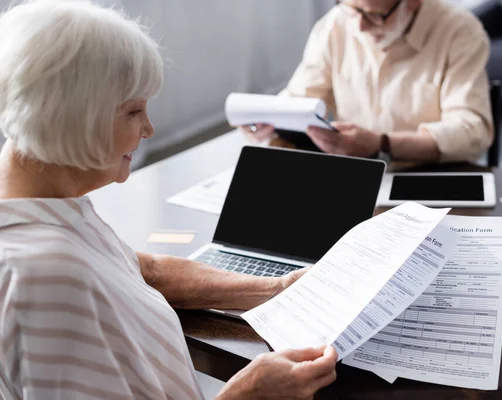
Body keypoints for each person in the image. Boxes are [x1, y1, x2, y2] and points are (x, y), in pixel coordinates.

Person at [0, 1, 337, 399]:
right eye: (133, 111)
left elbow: (144, 270)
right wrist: (248, 393)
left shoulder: (45, 206)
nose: (149, 128)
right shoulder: (50, 277)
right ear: (72, 115)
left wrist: (278, 288)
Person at [243, 0, 493, 164]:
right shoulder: (335, 24)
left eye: (373, 15)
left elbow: (473, 133)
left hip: (430, 177)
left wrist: (382, 143)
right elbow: (301, 98)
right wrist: (271, 119)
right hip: (356, 175)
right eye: (352, 8)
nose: (359, 26)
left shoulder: (460, 31)